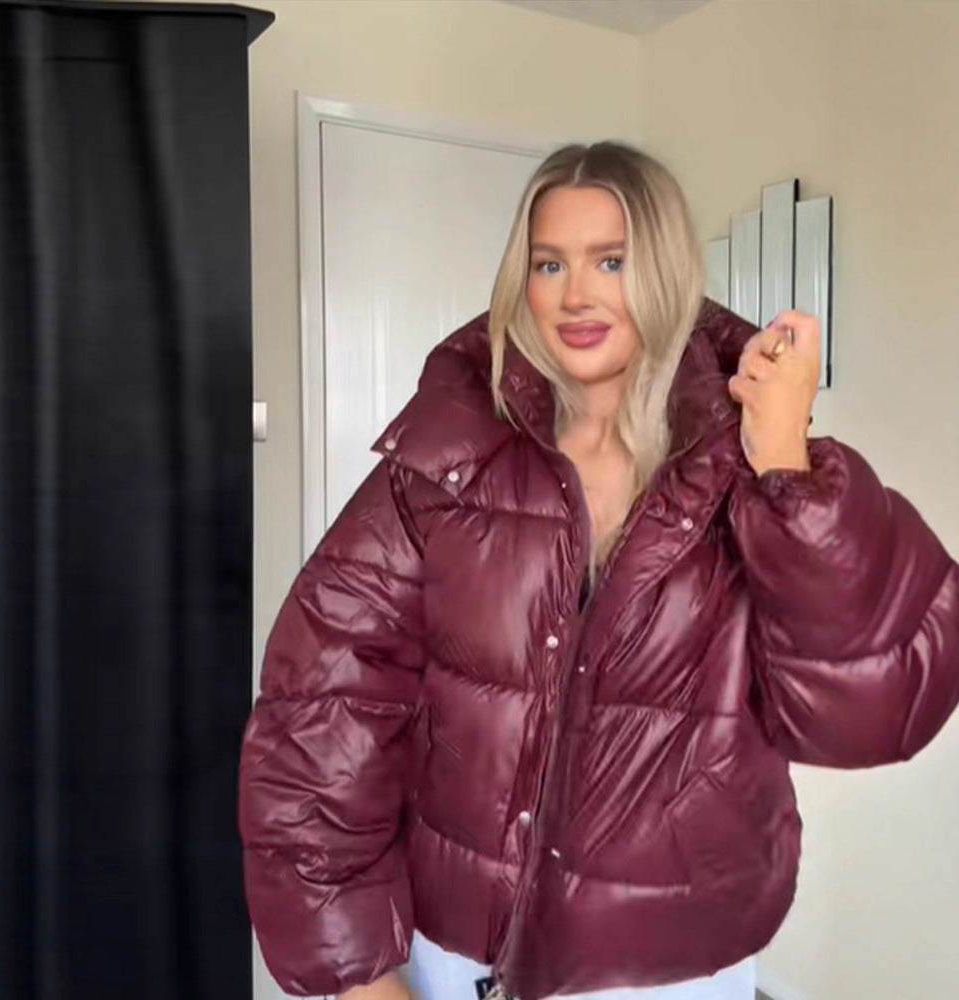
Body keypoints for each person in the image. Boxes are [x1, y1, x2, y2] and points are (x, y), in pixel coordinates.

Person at [238, 142, 959, 1000]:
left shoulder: (752, 467)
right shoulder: (449, 455)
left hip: (671, 963)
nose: (575, 294)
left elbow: (871, 715)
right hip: (452, 951)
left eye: (610, 260)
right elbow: (323, 708)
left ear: (662, 270)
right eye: (549, 263)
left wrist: (787, 469)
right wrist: (356, 969)